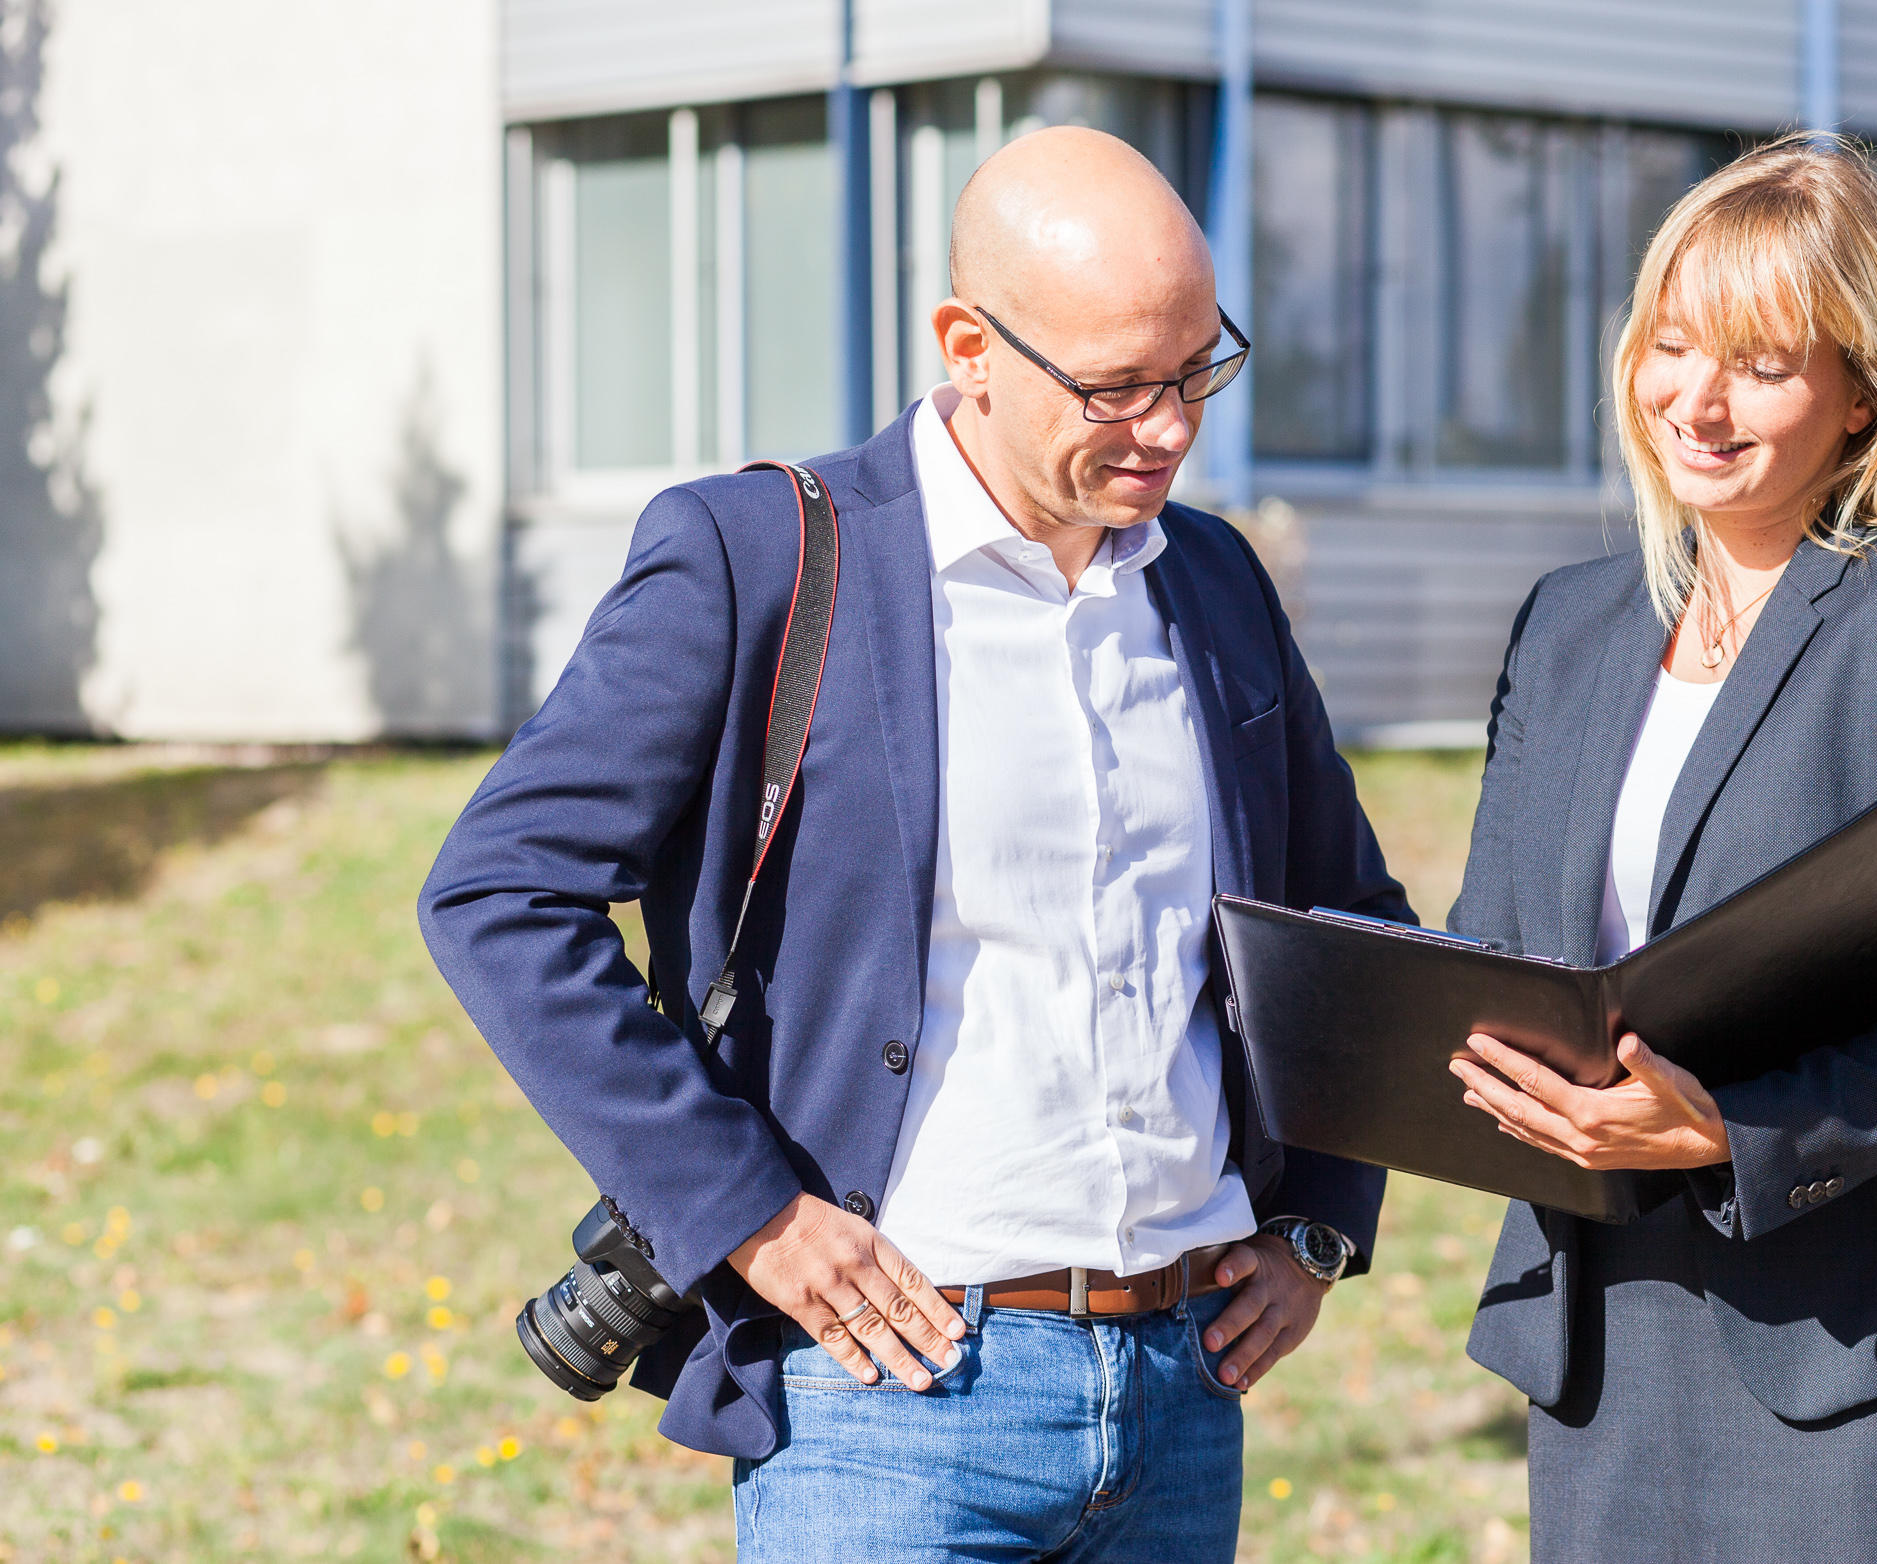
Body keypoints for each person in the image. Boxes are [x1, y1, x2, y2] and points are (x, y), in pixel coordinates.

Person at [419, 126, 1407, 1563]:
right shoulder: (755, 556)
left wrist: (1321, 1216)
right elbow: (499, 893)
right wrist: (745, 1212)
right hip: (884, 1403)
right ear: (969, 345)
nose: (1176, 426)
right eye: (1120, 386)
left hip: (1186, 1400)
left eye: (1200, 366)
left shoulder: (1215, 584)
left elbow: (1349, 917)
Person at [1446, 133, 1877, 1562]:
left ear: (1863, 398)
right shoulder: (1567, 625)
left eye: (1761, 362)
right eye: (1672, 345)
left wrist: (1732, 1134)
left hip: (1866, 1353)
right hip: (1605, 1341)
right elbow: (1495, 949)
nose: (1698, 400)